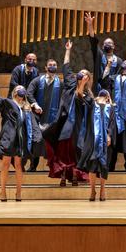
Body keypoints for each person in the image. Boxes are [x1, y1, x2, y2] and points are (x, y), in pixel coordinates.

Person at [0, 83, 41, 202]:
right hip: (8, 137)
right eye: (18, 89)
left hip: (20, 139)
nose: (21, 90)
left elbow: (33, 124)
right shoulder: (8, 102)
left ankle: (19, 192)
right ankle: (3, 191)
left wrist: (37, 136)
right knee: (5, 164)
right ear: (14, 92)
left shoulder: (27, 107)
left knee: (18, 165)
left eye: (23, 89)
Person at [42, 41, 88, 187]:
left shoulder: (87, 95)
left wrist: (83, 84)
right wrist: (68, 50)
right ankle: (62, 175)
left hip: (77, 127)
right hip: (64, 124)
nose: (81, 76)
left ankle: (74, 175)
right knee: (62, 151)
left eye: (85, 76)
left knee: (74, 152)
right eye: (80, 75)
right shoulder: (70, 85)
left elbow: (80, 95)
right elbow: (66, 66)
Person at [76, 86, 116, 202]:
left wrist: (109, 135)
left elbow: (112, 124)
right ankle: (92, 190)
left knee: (104, 166)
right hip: (93, 141)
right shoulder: (92, 106)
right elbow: (81, 95)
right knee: (92, 166)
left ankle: (103, 189)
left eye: (105, 96)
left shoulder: (111, 108)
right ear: (97, 97)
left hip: (106, 141)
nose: (103, 97)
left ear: (108, 98)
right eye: (101, 95)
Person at [26, 58, 62, 172]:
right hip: (38, 117)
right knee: (36, 141)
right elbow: (29, 93)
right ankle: (33, 166)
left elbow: (64, 99)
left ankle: (53, 168)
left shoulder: (60, 83)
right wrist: (34, 104)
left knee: (53, 144)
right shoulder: (37, 80)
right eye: (50, 65)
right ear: (46, 68)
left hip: (53, 118)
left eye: (55, 65)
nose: (52, 67)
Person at [86, 12, 122, 95]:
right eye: (106, 44)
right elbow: (93, 41)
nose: (108, 45)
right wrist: (90, 25)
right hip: (99, 88)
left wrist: (109, 79)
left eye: (110, 43)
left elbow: (119, 77)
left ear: (114, 46)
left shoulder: (119, 61)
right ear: (103, 47)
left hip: (112, 90)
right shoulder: (99, 55)